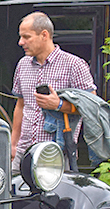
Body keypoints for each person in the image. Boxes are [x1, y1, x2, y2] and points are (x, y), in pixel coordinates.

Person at [10, 12, 96, 173]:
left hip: (56, 154)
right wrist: (13, 144)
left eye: (26, 37)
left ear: (44, 35)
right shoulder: (22, 64)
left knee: (54, 198)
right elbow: (20, 106)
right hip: (23, 151)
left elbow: (92, 107)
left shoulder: (74, 65)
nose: (21, 42)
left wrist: (60, 105)